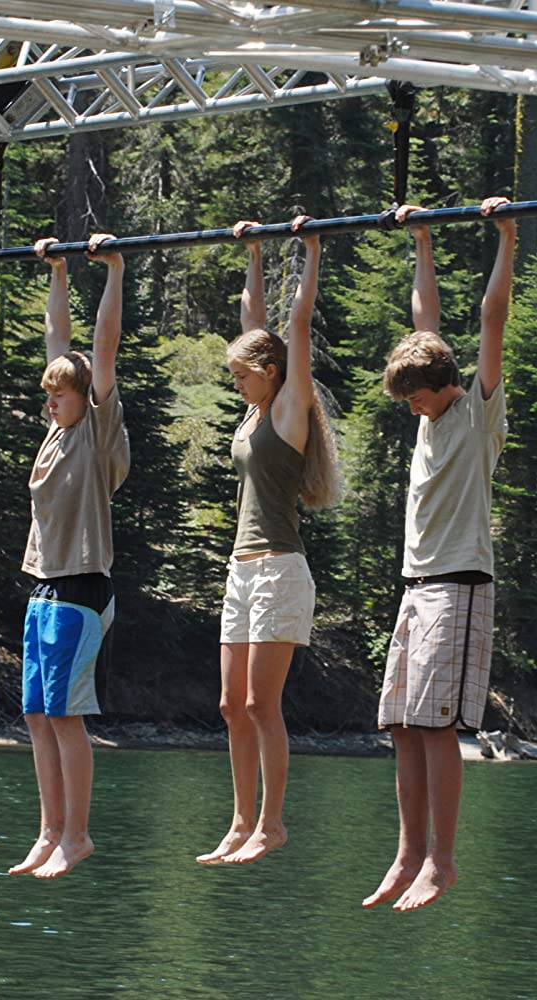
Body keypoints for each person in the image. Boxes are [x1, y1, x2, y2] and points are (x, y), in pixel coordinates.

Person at [363, 197, 514, 911]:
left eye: (415, 403)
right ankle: (406, 852)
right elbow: (425, 314)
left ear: (436, 389)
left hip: (458, 580)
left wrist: (505, 236)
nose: (412, 413)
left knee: (435, 726)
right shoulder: (425, 394)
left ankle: (442, 861)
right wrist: (421, 240)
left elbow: (490, 322)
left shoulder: (476, 409)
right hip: (416, 585)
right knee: (400, 722)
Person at [196, 217, 341, 866]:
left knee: (261, 701)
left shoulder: (288, 409)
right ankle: (239, 819)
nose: (235, 383)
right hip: (240, 569)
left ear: (270, 373)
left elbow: (296, 330)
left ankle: (273, 822)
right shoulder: (256, 410)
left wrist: (308, 252)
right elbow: (255, 321)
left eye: (241, 374)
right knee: (231, 704)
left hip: (281, 569)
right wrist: (253, 253)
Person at [8, 234, 128, 879]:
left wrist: (111, 270)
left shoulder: (96, 434)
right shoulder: (56, 433)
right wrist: (56, 270)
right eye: (48, 393)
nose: (50, 401)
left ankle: (76, 834)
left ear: (85, 399)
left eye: (60, 393)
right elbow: (60, 339)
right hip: (45, 586)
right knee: (34, 712)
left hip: (83, 589)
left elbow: (98, 348)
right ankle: (49, 829)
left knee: (65, 712)